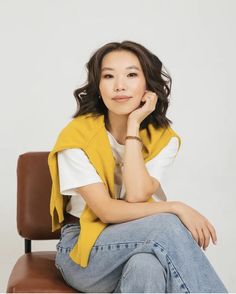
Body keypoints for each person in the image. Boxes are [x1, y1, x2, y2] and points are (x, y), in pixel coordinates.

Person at [48, 40, 227, 293]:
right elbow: (107, 211)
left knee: (146, 267)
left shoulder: (163, 139)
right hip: (84, 251)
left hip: (139, 244)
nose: (120, 85)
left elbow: (135, 195)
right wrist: (175, 207)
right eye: (108, 76)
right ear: (98, 87)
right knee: (166, 224)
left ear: (147, 85)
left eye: (131, 75)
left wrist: (133, 125)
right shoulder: (76, 136)